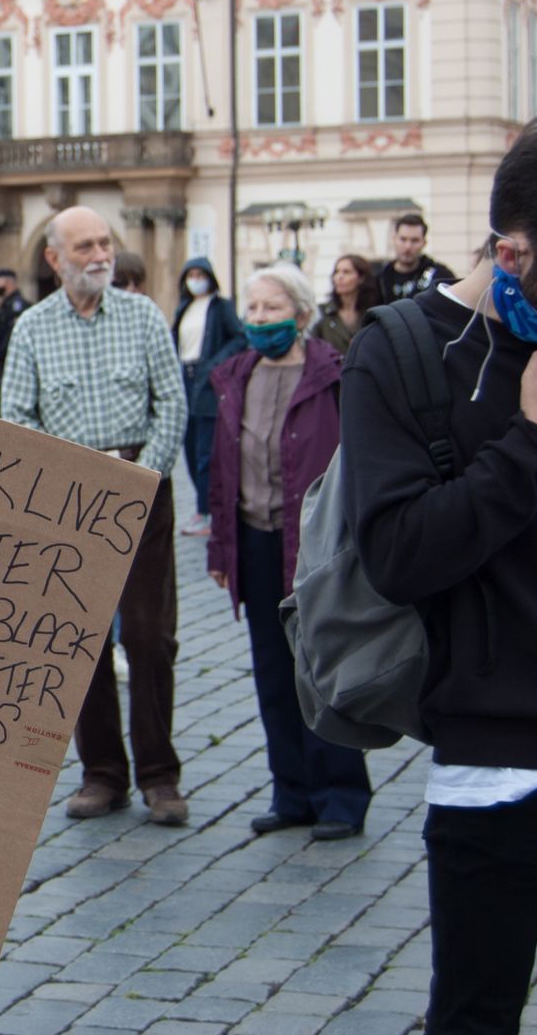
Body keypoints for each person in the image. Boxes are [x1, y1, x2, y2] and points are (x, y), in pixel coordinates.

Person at [342, 116, 537, 1033]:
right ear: (513, 251)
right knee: (476, 1013)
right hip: (499, 755)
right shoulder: (402, 349)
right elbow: (400, 553)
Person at [1, 206, 189, 825]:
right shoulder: (31, 328)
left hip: (144, 486)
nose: (100, 254)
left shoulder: (142, 317)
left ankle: (161, 775)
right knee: (79, 642)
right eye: (85, 245)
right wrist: (72, 481)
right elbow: (18, 419)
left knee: (147, 635)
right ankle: (103, 774)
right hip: (72, 500)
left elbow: (172, 405)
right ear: (55, 259)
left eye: (105, 242)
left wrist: (145, 475)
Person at [204, 264, 371, 840]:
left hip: (317, 544)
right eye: (251, 308)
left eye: (271, 309)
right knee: (274, 674)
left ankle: (341, 795)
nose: (257, 319)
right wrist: (221, 550)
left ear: (301, 316)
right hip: (254, 540)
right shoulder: (233, 377)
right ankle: (291, 792)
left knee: (324, 670)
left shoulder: (336, 376)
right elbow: (221, 473)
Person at [171, 257, 245, 538]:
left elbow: (239, 338)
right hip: (185, 379)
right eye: (191, 275)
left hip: (207, 382)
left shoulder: (221, 307)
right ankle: (204, 506)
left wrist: (214, 365)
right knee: (189, 449)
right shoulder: (184, 308)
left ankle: (205, 510)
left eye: (200, 274)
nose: (195, 280)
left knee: (205, 452)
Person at [307, 253, 382, 356]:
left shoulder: (373, 314)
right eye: (336, 272)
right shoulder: (323, 312)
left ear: (361, 278)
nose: (339, 277)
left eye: (346, 272)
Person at [378, 211, 456, 302]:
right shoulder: (379, 279)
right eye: (403, 239)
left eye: (414, 240)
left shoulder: (440, 276)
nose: (408, 246)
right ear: (394, 239)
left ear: (424, 243)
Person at [0, 267, 29, 372]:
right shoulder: (5, 305)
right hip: (3, 362)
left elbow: (12, 335)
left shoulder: (17, 306)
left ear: (8, 282)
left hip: (12, 363)